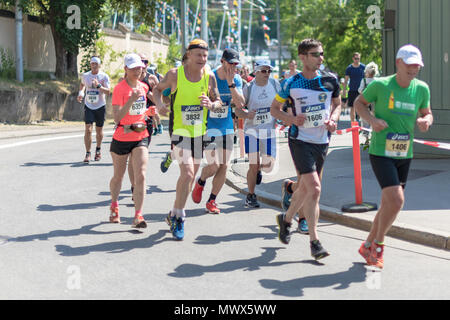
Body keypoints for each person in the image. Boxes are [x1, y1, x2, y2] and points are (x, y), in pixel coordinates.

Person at [354, 44, 432, 269]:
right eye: (410, 65)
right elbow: (359, 104)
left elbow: (427, 113)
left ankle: (367, 245)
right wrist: (372, 121)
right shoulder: (380, 85)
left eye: (417, 66)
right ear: (398, 62)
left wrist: (426, 121)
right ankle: (378, 246)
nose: (414, 69)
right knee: (397, 201)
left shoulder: (421, 89)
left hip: (404, 153)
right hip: (381, 152)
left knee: (388, 203)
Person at [270, 39, 341, 260]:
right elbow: (275, 109)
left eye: (321, 53)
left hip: (322, 141)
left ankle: (287, 219)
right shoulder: (291, 83)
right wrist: (291, 119)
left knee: (309, 189)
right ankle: (314, 242)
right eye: (315, 54)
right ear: (302, 57)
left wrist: (333, 119)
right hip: (299, 140)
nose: (321, 58)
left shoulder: (330, 81)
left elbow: (338, 104)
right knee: (315, 188)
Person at [152, 39, 223, 240]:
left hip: (199, 133)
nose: (202, 59)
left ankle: (174, 213)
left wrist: (211, 104)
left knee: (189, 178)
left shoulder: (209, 77)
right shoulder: (175, 75)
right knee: (188, 172)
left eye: (205, 56)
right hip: (179, 132)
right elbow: (156, 90)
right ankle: (180, 217)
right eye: (198, 55)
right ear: (189, 55)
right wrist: (159, 105)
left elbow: (219, 102)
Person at [191, 48, 245, 214]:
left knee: (225, 165)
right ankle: (201, 180)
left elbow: (241, 103)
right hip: (209, 127)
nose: (234, 67)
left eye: (236, 64)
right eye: (231, 63)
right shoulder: (210, 76)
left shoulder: (236, 79)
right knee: (214, 164)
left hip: (227, 127)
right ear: (222, 61)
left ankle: (212, 200)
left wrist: (231, 84)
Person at [109, 53, 155, 229]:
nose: (138, 70)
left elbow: (141, 111)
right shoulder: (119, 89)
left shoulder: (143, 87)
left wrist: (150, 113)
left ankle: (138, 215)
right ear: (126, 69)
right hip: (121, 137)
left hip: (140, 135)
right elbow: (117, 118)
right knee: (118, 177)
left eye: (140, 67)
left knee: (141, 174)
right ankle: (114, 205)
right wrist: (130, 100)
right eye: (134, 68)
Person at [235, 60, 281, 208]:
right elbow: (237, 110)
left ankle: (258, 171)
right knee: (253, 165)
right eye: (263, 71)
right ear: (256, 72)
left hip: (268, 132)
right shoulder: (248, 88)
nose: (267, 74)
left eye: (269, 71)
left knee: (268, 166)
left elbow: (282, 104)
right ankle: (251, 195)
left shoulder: (275, 85)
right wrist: (246, 115)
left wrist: (283, 115)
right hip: (252, 132)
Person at [128, 53, 159, 199]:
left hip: (147, 120)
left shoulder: (151, 79)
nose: (143, 64)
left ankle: (139, 182)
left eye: (145, 61)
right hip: (131, 121)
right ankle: (135, 186)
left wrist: (158, 107)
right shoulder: (128, 78)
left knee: (141, 154)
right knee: (132, 156)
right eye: (140, 62)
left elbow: (159, 96)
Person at [77, 56, 111, 163]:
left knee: (99, 131)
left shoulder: (104, 76)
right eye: (92, 63)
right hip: (89, 106)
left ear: (99, 65)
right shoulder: (86, 75)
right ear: (90, 64)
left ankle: (98, 150)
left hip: (100, 106)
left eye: (96, 63)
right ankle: (88, 153)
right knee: (88, 129)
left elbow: (108, 91)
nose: (94, 65)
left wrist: (99, 86)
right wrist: (81, 93)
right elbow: (82, 84)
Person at [358, 61, 379, 145]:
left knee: (365, 121)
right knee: (375, 120)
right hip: (375, 104)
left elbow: (360, 90)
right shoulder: (377, 81)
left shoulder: (364, 80)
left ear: (367, 72)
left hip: (365, 104)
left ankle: (367, 138)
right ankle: (374, 137)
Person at [343, 52, 365, 123]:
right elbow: (346, 81)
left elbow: (366, 79)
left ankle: (359, 122)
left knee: (360, 107)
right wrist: (344, 91)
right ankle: (353, 124)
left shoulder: (363, 67)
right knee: (352, 107)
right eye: (356, 58)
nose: (357, 60)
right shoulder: (349, 68)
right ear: (353, 59)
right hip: (352, 90)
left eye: (358, 58)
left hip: (361, 91)